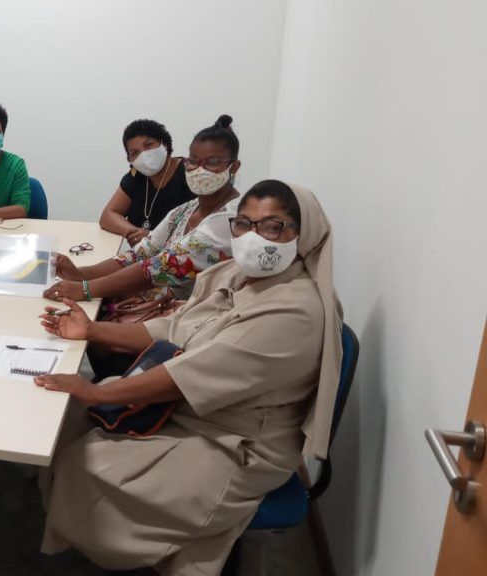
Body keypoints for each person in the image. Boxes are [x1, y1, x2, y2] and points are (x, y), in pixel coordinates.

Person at [34, 180, 343, 575]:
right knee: (66, 419)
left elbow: (184, 377)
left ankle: (146, 549)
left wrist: (94, 392)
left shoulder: (294, 312)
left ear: (303, 235)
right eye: (244, 224)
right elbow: (174, 329)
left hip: (235, 440)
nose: (253, 238)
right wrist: (91, 331)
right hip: (195, 407)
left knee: (90, 464)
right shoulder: (233, 274)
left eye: (272, 227)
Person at [45, 116, 242, 309]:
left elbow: (158, 268)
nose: (200, 170)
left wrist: (85, 289)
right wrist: (79, 274)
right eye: (194, 161)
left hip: (186, 317)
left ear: (234, 167)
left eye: (212, 162)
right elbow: (138, 255)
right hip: (148, 303)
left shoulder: (230, 221)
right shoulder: (186, 209)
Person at [98, 118, 196, 244]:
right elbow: (108, 216)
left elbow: (203, 229)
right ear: (130, 159)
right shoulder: (135, 177)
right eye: (135, 152)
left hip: (181, 252)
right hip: (143, 253)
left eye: (148, 145)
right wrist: (136, 233)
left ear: (164, 144)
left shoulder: (191, 173)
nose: (144, 155)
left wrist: (154, 238)